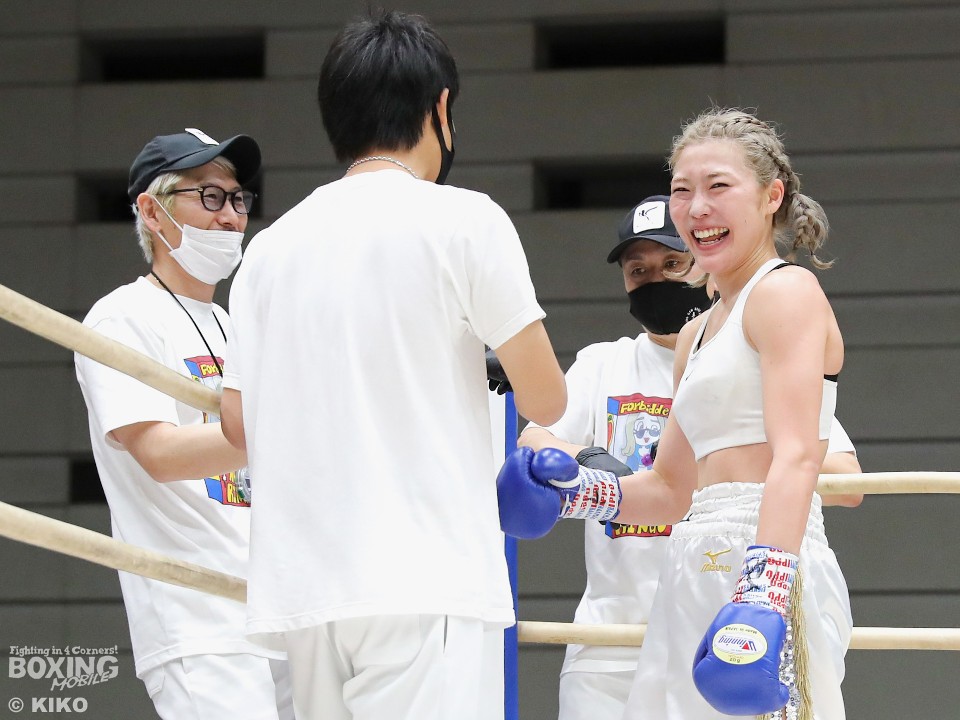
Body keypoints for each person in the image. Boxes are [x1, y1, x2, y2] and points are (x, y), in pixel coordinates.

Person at [218, 10, 566, 720]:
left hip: (306, 589)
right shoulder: (467, 220)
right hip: (425, 575)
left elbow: (236, 424)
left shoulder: (267, 252)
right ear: (440, 107)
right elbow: (546, 399)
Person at [497, 107, 855, 719]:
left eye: (718, 186)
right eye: (682, 191)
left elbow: (798, 456)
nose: (697, 208)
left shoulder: (785, 291)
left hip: (767, 553)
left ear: (771, 196)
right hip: (689, 558)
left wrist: (764, 593)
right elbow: (669, 490)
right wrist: (573, 493)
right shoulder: (696, 334)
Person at [74, 128, 293, 720]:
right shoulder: (122, 317)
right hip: (198, 616)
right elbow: (161, 454)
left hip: (276, 603)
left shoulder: (234, 323)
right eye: (211, 196)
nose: (231, 216)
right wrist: (281, 428)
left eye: (238, 199)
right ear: (152, 211)